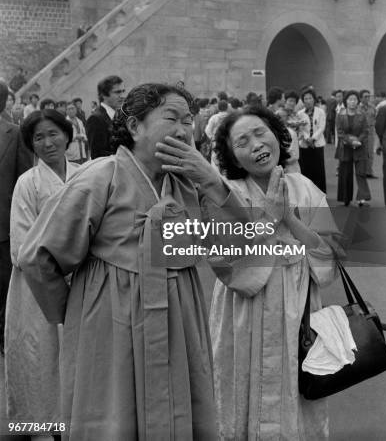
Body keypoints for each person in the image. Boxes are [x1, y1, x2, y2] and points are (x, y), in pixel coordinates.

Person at [18, 83, 249, 440]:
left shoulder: (189, 185)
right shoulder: (100, 177)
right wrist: (75, 312)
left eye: (189, 121)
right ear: (134, 126)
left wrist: (212, 180)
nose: (182, 129)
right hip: (111, 322)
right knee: (114, 415)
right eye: (171, 117)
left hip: (180, 318)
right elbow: (38, 256)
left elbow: (243, 244)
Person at [209, 105, 342, 440]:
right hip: (245, 310)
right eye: (241, 142)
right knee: (244, 385)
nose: (255, 143)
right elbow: (230, 267)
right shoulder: (227, 196)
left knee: (297, 389)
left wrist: (289, 218)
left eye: (260, 132)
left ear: (277, 137)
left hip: (299, 305)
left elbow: (328, 256)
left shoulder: (305, 187)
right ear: (234, 159)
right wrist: (269, 219)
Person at [5, 110, 79, 440]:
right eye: (38, 137)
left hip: (82, 281)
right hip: (37, 285)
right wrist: (58, 267)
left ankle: (76, 419)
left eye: (53, 134)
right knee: (40, 357)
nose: (47, 142)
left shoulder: (84, 175)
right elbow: (22, 246)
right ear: (31, 145)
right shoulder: (28, 183)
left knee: (77, 355)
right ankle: (39, 424)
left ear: (67, 135)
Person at [0, 80, 32, 356]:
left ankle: (3, 336)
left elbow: (23, 181)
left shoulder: (15, 134)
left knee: (2, 288)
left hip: (3, 228)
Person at [335, 90, 371, 207]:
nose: (352, 102)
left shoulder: (362, 115)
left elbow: (366, 131)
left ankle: (362, 198)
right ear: (346, 101)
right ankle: (346, 198)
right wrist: (351, 141)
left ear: (357, 101)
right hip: (345, 147)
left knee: (361, 173)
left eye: (354, 99)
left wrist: (358, 141)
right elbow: (339, 132)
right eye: (350, 99)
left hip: (360, 147)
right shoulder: (340, 115)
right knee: (345, 173)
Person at [86, 75, 125, 158]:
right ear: (103, 95)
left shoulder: (120, 115)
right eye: (117, 92)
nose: (122, 96)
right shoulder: (95, 119)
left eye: (123, 91)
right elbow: (97, 156)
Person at [297, 89, 327, 192]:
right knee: (306, 169)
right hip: (304, 145)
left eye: (310, 98)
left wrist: (313, 138)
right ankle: (307, 193)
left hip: (317, 144)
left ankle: (320, 192)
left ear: (314, 99)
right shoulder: (300, 114)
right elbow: (300, 129)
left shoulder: (320, 111)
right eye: (306, 98)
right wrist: (307, 139)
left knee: (318, 169)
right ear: (303, 101)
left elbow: (321, 127)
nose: (308, 100)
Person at [359, 90, 377, 178]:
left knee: (370, 152)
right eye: (365, 96)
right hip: (360, 133)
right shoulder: (357, 108)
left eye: (368, 96)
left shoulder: (372, 107)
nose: (367, 98)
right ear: (360, 98)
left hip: (370, 132)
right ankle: (361, 172)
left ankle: (369, 172)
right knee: (361, 152)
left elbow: (375, 118)